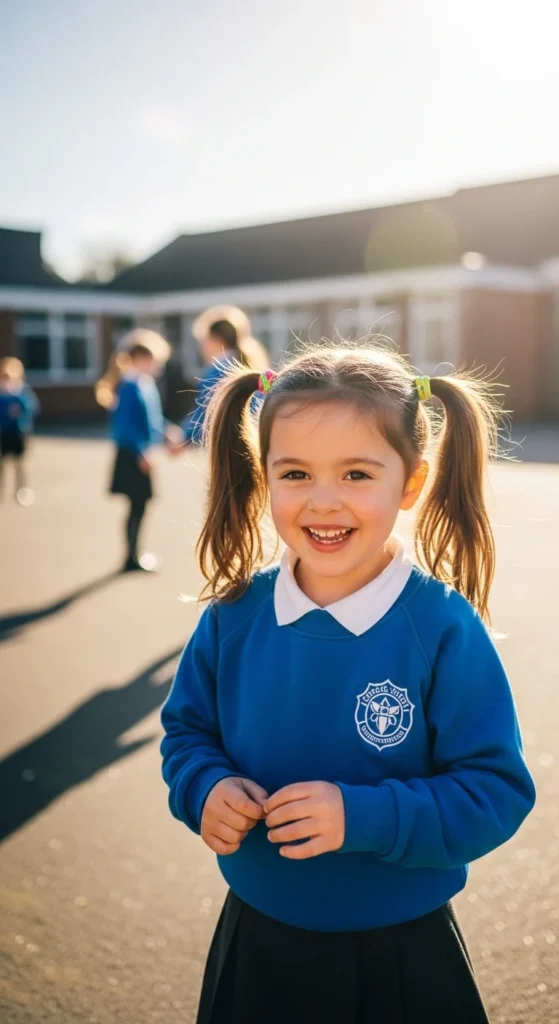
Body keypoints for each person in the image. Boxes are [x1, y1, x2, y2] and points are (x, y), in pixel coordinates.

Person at [160, 345, 535, 1023]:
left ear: (411, 484)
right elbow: (187, 733)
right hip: (256, 933)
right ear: (263, 475)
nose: (322, 500)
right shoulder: (235, 616)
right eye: (295, 472)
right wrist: (203, 788)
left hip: (396, 953)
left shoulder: (440, 626)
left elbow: (494, 791)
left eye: (357, 473)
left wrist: (361, 817)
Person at [101, 329, 177, 572]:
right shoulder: (130, 385)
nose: (157, 366)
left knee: (140, 504)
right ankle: (131, 558)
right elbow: (124, 427)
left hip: (141, 454)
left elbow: (151, 419)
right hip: (133, 455)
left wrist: (167, 431)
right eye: (154, 360)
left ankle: (133, 554)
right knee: (137, 504)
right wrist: (141, 452)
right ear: (140, 358)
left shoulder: (144, 383)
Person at [179, 306, 268, 446]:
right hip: (256, 440)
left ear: (217, 340)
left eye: (203, 341)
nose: (201, 347)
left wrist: (183, 438)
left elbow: (204, 413)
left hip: (231, 444)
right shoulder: (251, 365)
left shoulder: (215, 371)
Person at [0, 356, 40, 506]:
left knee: (20, 464)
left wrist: (20, 411)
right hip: (3, 432)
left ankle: (21, 490)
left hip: (18, 432)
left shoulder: (21, 391)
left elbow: (31, 407)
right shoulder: (1, 393)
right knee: (2, 464)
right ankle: (1, 490)